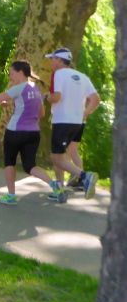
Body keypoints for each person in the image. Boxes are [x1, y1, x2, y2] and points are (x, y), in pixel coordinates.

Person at [0, 61, 67, 205]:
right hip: (33, 132)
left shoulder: (18, 88)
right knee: (30, 165)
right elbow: (41, 113)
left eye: (12, 73)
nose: (11, 77)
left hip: (15, 131)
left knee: (10, 162)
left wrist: (3, 102)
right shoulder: (36, 89)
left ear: (20, 72)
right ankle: (53, 184)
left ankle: (11, 196)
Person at [43, 48, 101, 199]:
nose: (51, 62)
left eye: (52, 59)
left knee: (57, 158)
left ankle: (84, 177)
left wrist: (47, 97)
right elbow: (95, 99)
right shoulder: (82, 76)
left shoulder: (58, 74)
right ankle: (60, 190)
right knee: (62, 155)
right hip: (77, 123)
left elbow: (56, 97)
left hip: (62, 121)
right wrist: (85, 113)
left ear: (59, 60)